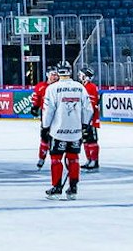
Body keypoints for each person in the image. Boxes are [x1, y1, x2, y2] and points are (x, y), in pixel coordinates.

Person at [41, 68, 92, 199]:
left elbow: (48, 110)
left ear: (58, 73)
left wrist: (45, 126)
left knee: (56, 159)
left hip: (58, 131)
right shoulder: (80, 87)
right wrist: (84, 125)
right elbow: (88, 109)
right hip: (75, 131)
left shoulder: (52, 88)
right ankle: (73, 188)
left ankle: (56, 188)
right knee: (74, 159)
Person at [32, 63, 58, 169]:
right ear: (47, 75)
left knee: (58, 138)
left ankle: (56, 158)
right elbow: (36, 99)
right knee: (44, 138)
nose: (55, 76)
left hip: (59, 117)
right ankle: (41, 158)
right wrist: (34, 107)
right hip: (46, 116)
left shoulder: (59, 87)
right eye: (52, 74)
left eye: (56, 74)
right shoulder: (40, 86)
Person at [78, 66, 102, 171]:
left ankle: (94, 160)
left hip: (90, 119)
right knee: (86, 140)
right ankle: (89, 159)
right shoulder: (83, 87)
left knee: (92, 140)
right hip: (84, 119)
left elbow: (91, 105)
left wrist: (88, 120)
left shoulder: (91, 87)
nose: (79, 76)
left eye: (81, 74)